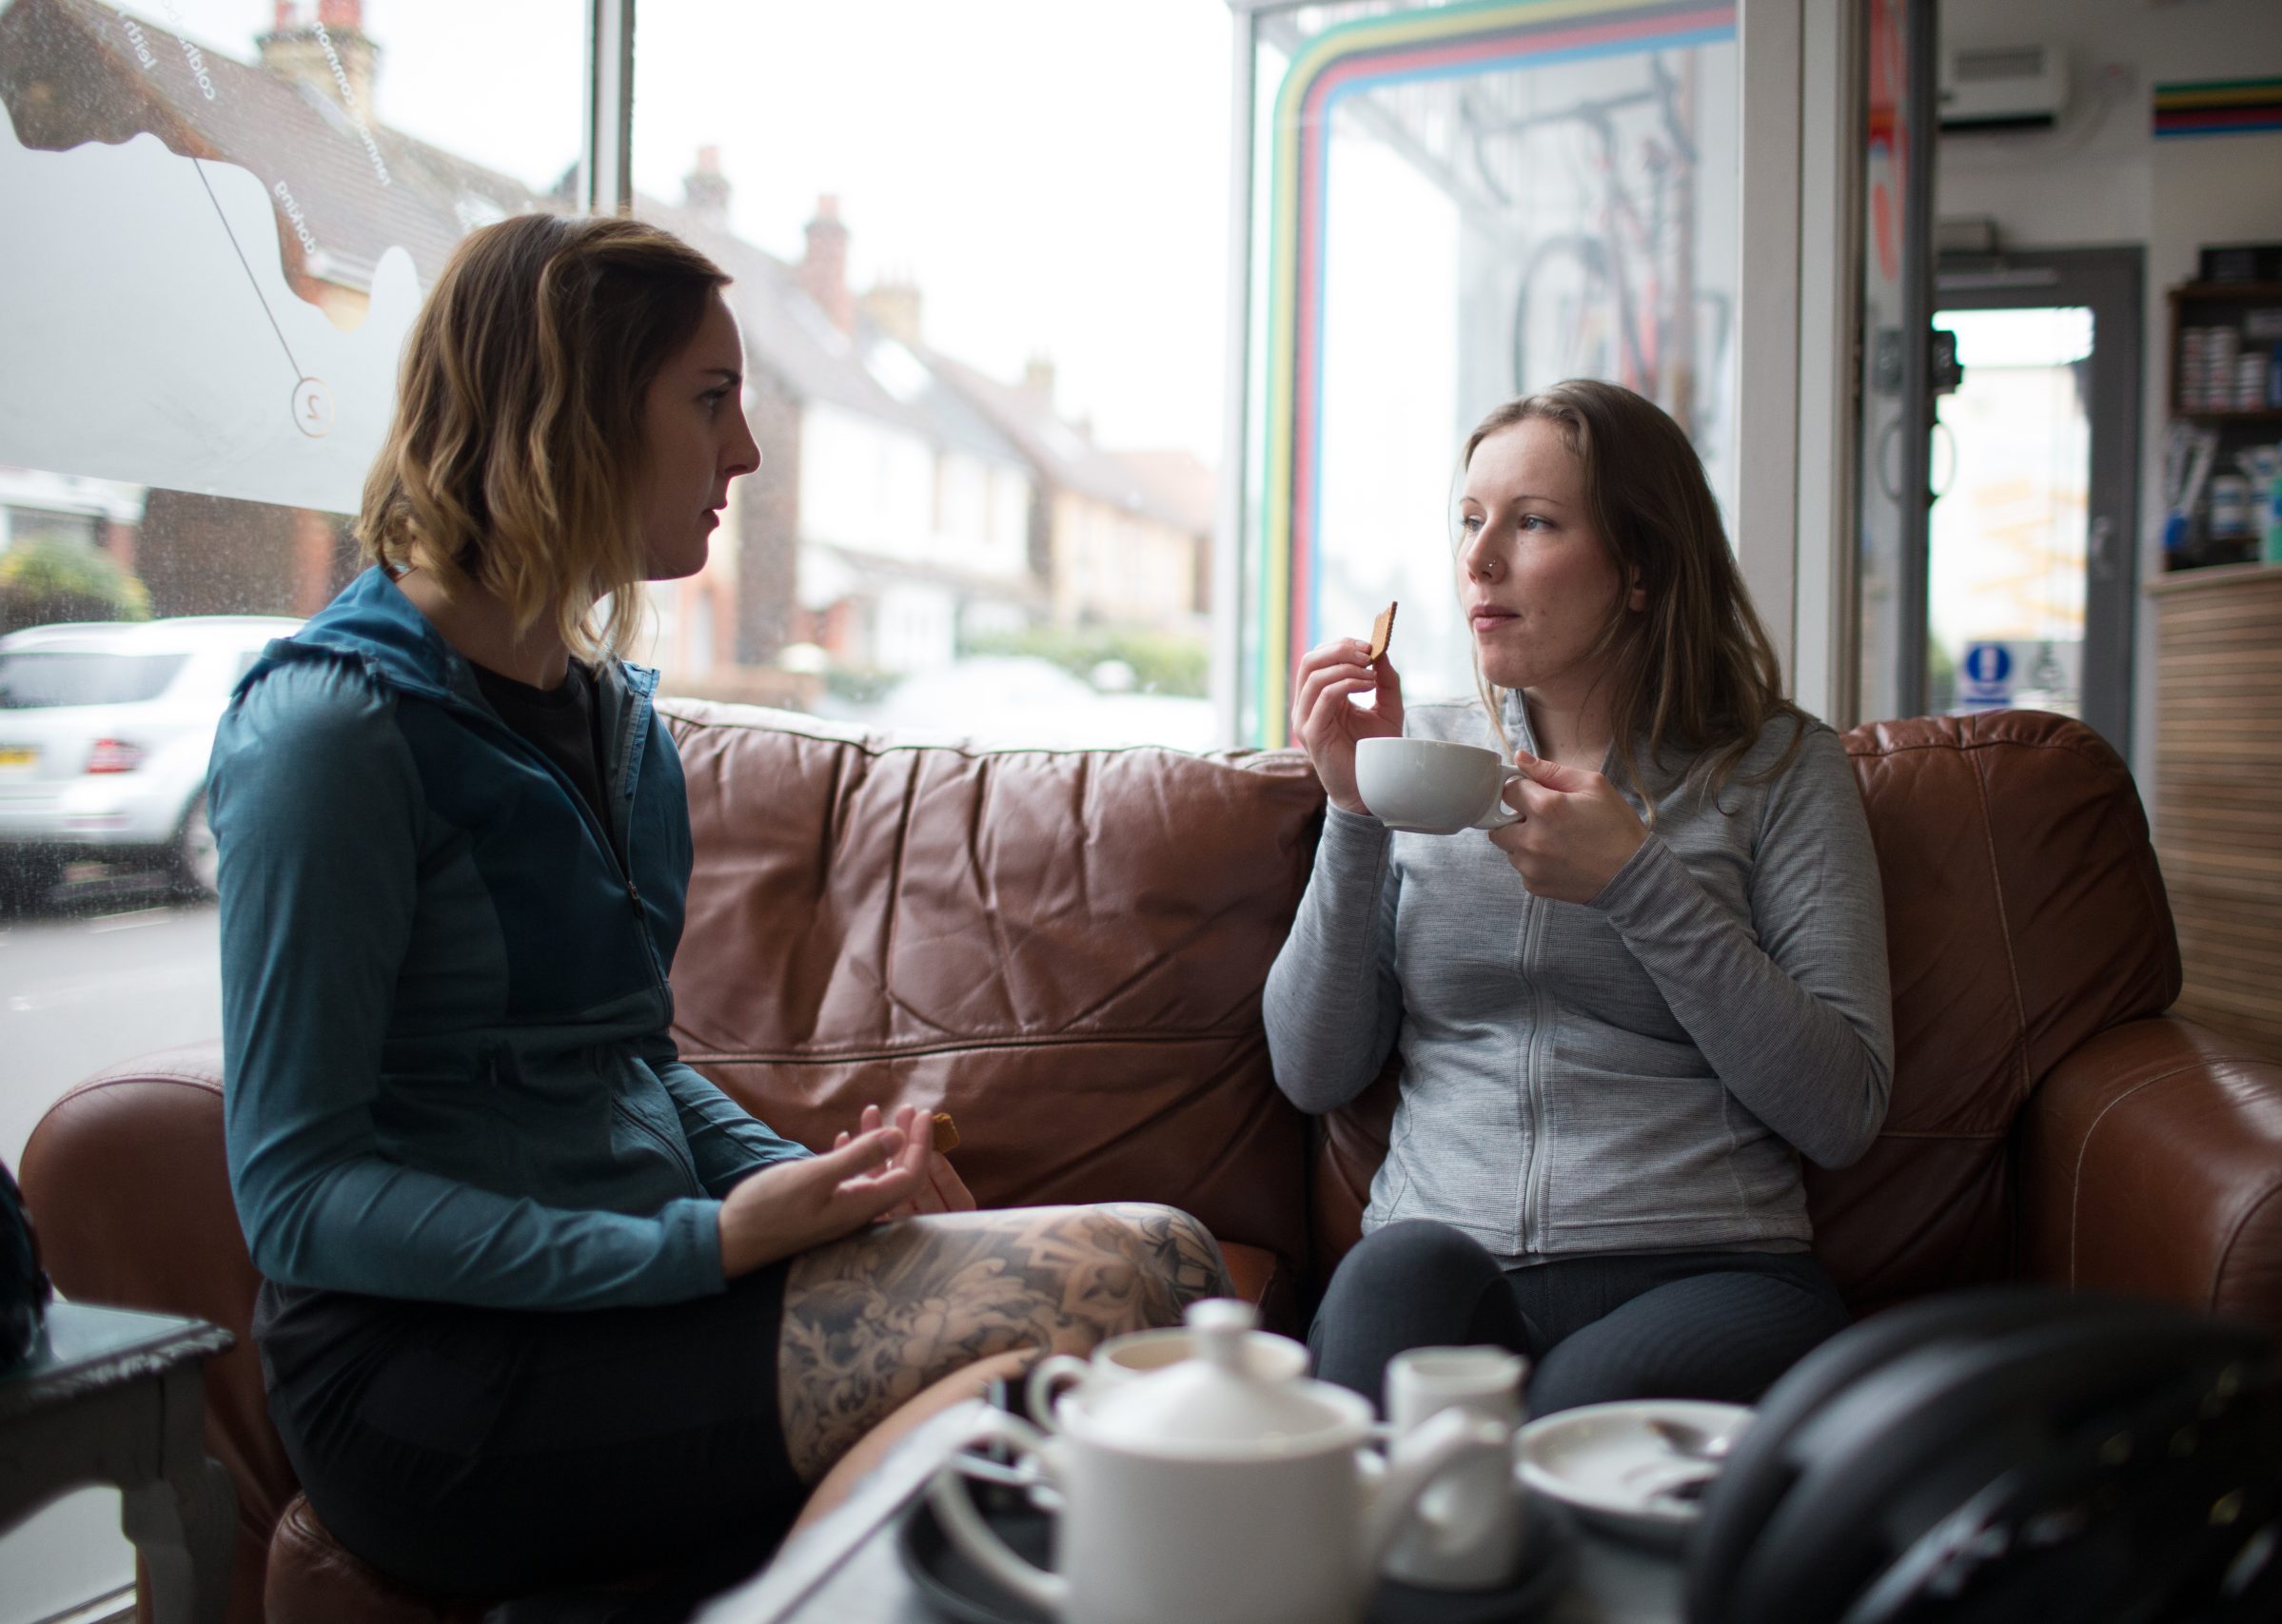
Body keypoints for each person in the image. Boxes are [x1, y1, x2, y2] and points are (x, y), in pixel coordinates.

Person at [210, 213, 1227, 1606]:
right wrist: (708, 1240)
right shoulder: (332, 731)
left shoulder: (617, 726)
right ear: (568, 414)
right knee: (1127, 1285)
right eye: (709, 400)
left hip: (637, 1306)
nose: (744, 452)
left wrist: (809, 1186)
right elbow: (297, 1197)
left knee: (1170, 1256)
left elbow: (627, 1063)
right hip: (428, 1374)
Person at [1264, 380, 1891, 1419]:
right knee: (1390, 1284)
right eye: (1471, 519)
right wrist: (1354, 805)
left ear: (1640, 568)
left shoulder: (1779, 766)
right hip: (1446, 1250)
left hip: (1709, 1266)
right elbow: (1313, 1069)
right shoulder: (1421, 760)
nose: (1478, 560)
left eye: (1533, 522)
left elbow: (1843, 1109)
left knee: (1584, 1399)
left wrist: (1639, 887)